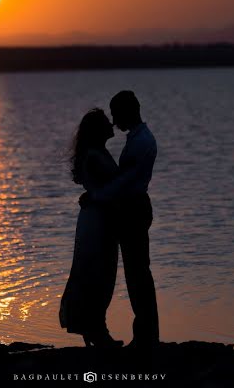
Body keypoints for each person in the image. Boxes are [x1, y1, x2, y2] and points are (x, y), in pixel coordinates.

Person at [82, 90, 160, 348]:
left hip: (134, 209)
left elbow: (124, 182)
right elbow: (121, 181)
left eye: (116, 114)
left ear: (128, 111)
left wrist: (96, 197)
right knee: (136, 273)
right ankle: (145, 334)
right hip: (130, 208)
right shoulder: (138, 139)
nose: (114, 121)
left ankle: (146, 336)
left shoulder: (140, 142)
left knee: (137, 274)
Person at [59, 108, 123, 347]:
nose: (112, 124)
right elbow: (105, 190)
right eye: (107, 122)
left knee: (101, 274)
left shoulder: (98, 152)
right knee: (97, 274)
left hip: (99, 218)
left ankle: (96, 330)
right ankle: (96, 331)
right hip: (97, 221)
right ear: (98, 129)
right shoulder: (94, 156)